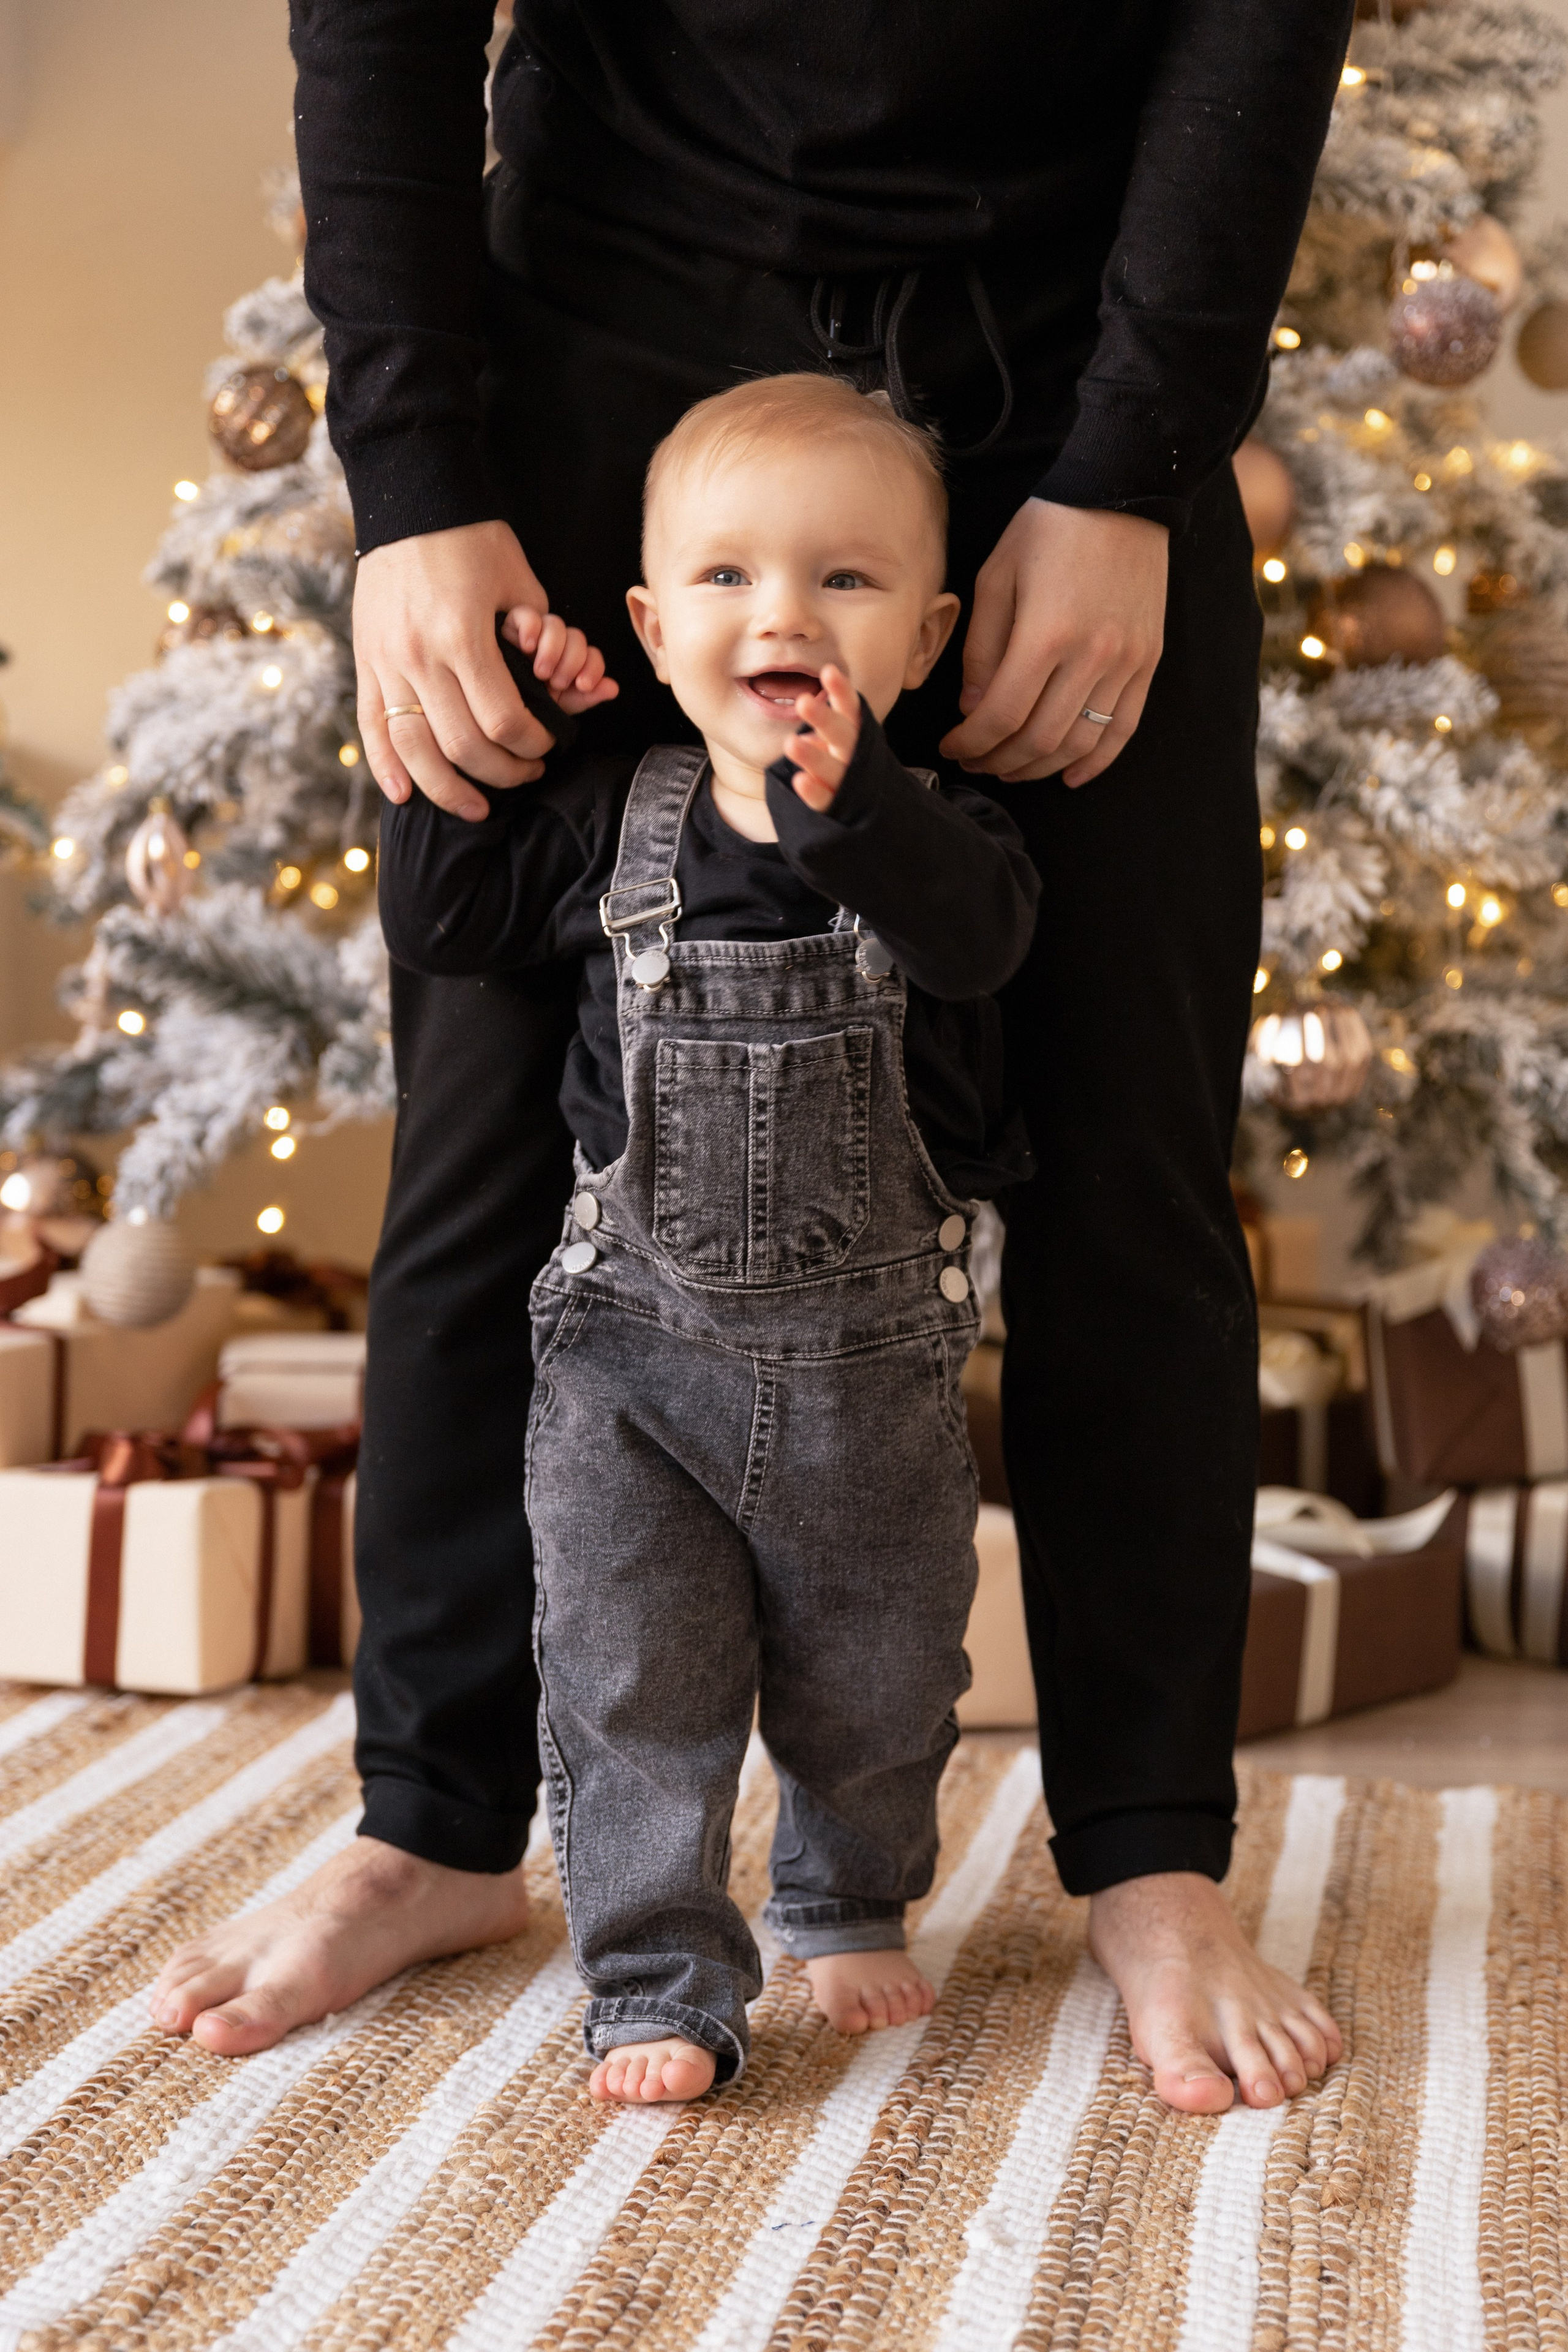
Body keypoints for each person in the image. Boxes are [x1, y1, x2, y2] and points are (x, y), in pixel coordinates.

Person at [151, 0, 1351, 2113]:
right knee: (475, 1151)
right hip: (604, 338)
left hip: (1070, 367)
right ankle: (432, 1826)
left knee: (1136, 1163)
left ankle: (1154, 1859)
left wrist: (1130, 465)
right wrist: (419, 480)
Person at [379, 373, 1042, 2101]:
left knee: (884, 1675)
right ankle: (660, 1975)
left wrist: (856, 803)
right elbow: (443, 919)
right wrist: (514, 719)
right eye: (731, 579)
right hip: (631, 1368)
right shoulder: (613, 815)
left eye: (846, 580)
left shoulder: (945, 834)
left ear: (929, 631)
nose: (785, 614)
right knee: (630, 1683)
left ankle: (845, 1890)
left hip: (871, 1372)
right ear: (657, 625)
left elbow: (974, 945)